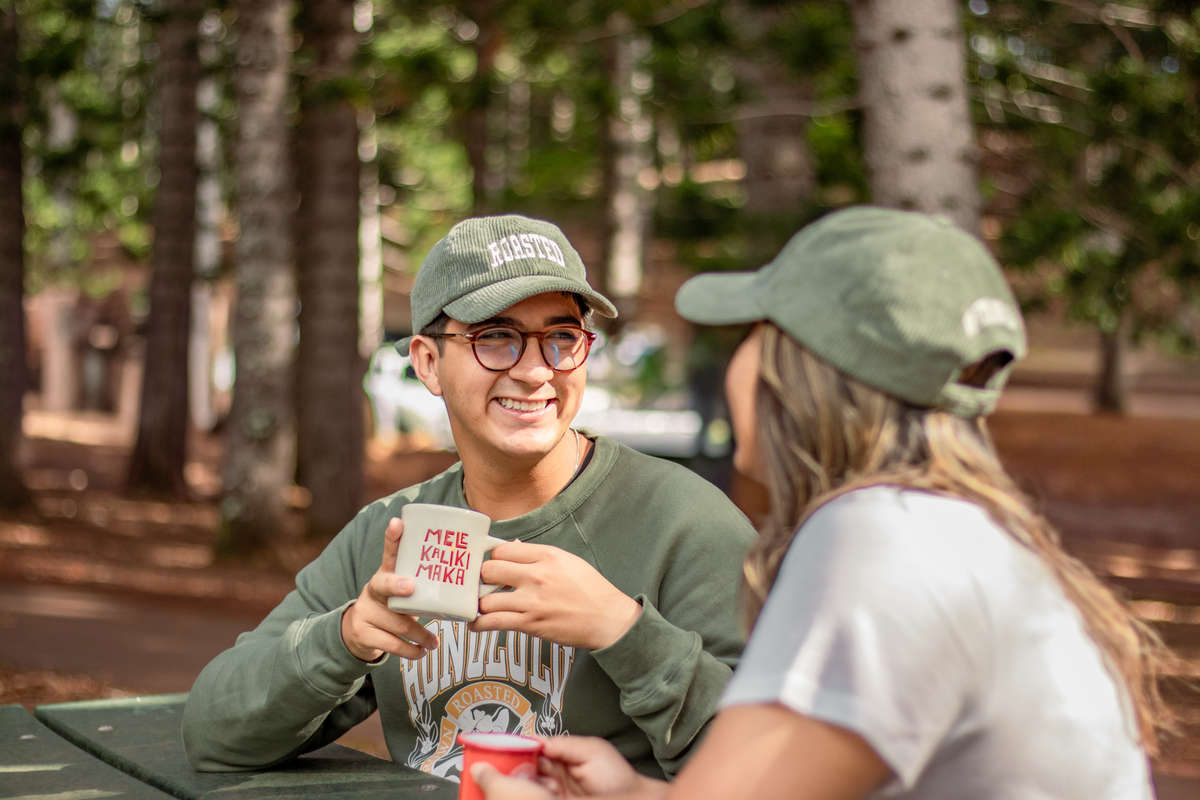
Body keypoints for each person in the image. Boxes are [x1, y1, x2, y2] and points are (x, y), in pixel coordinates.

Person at [473, 206, 1171, 799]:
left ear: (800, 368)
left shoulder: (881, 538)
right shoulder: (955, 529)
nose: (737, 359)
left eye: (755, 332)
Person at [181, 214, 756, 782]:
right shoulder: (390, 533)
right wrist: (348, 637)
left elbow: (765, 769)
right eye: (497, 338)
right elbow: (214, 735)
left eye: (561, 338)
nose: (535, 371)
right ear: (429, 363)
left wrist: (622, 630)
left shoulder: (687, 524)